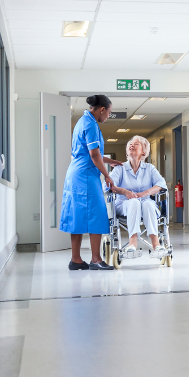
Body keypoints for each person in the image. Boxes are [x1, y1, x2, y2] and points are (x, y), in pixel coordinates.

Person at [60, 94, 125, 271]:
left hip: (76, 173)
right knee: (97, 215)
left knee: (78, 216)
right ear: (102, 109)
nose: (108, 116)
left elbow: (88, 152)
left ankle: (76, 259)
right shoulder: (90, 124)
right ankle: (96, 259)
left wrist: (109, 161)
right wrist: (108, 175)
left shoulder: (83, 121)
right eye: (109, 113)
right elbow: (93, 155)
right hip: (86, 176)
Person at [110, 135, 168, 259]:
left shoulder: (149, 168)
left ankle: (156, 244)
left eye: (136, 144)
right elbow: (108, 186)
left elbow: (161, 184)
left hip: (146, 202)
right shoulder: (120, 168)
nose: (131, 145)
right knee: (134, 203)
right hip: (124, 204)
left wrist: (145, 193)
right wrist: (125, 192)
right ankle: (132, 243)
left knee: (147, 203)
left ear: (143, 151)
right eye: (130, 144)